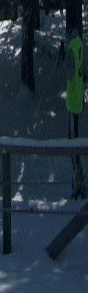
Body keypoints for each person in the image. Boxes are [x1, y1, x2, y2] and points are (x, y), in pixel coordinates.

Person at [67, 17, 84, 199]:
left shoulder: (72, 46)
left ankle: (78, 179)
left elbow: (69, 73)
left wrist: (65, 60)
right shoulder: (80, 44)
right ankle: (79, 176)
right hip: (78, 98)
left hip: (72, 100)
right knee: (75, 138)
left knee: (72, 140)